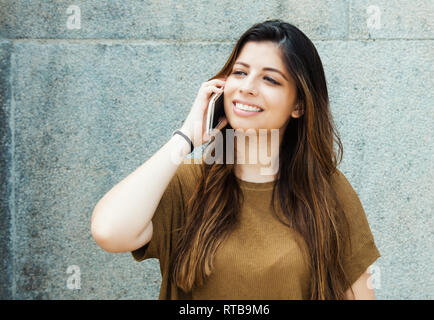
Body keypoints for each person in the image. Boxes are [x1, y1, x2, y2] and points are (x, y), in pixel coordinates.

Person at [90, 19, 381, 300]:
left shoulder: (327, 191)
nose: (247, 87)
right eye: (240, 73)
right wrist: (185, 138)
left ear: (299, 105)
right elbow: (109, 231)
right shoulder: (189, 183)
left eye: (270, 79)